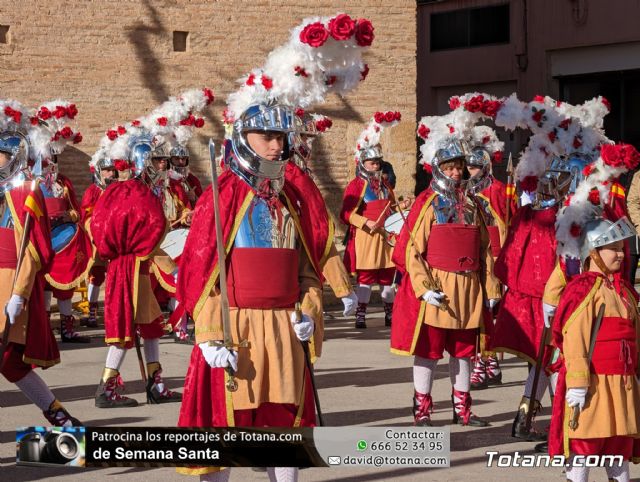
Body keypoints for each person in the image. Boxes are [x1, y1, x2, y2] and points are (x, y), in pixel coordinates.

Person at [177, 102, 322, 482]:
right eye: (267, 136)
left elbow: (308, 273)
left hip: (283, 329)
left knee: (282, 425)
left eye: (280, 137)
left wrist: (308, 312)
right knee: (225, 428)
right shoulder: (219, 196)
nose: (277, 145)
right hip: (233, 327)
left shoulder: (293, 199)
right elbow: (202, 274)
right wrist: (208, 334)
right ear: (243, 139)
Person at [391, 111, 500, 427]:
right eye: (449, 167)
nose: (455, 173)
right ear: (437, 168)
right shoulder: (427, 202)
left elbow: (485, 251)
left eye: (458, 167)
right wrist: (424, 288)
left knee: (464, 352)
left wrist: (491, 289)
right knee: (429, 351)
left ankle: (462, 408)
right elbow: (412, 251)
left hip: (468, 290)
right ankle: (422, 409)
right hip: (438, 289)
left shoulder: (474, 204)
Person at [0, 102, 80, 426]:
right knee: (10, 364)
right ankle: (60, 416)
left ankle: (59, 417)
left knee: (9, 361)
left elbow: (33, 250)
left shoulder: (23, 194)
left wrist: (19, 294)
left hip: (7, 284)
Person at [548, 216, 639, 482]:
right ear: (594, 252)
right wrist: (577, 382)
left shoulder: (624, 292)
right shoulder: (583, 290)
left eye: (621, 248)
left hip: (622, 384)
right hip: (594, 384)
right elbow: (574, 339)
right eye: (613, 248)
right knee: (585, 444)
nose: (621, 254)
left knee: (618, 445)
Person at [341, 112, 406, 329]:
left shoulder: (386, 185)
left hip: (386, 238)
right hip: (366, 238)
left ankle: (390, 314)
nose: (375, 166)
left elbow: (392, 209)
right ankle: (361, 315)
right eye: (371, 163)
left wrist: (400, 208)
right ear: (363, 163)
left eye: (378, 163)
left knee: (387, 280)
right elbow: (346, 214)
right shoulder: (356, 185)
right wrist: (364, 222)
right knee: (366, 280)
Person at [466, 143, 516, 390]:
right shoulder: (464, 190)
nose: (471, 170)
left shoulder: (498, 190)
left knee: (488, 314)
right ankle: (492, 364)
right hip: (472, 257)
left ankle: (484, 363)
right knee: (476, 312)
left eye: (476, 166)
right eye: (469, 166)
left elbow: (507, 225)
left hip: (493, 259)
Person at [80, 151, 120, 328]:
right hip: (97, 240)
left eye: (112, 170)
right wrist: (96, 230)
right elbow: (86, 215)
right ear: (99, 171)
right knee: (95, 276)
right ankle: (92, 312)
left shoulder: (120, 189)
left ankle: (115, 313)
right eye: (106, 170)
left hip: (116, 240)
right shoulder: (92, 191)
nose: (110, 173)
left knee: (116, 276)